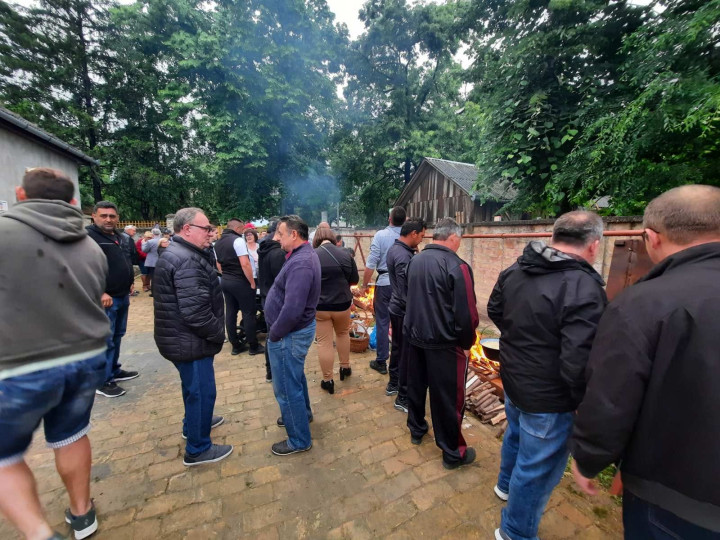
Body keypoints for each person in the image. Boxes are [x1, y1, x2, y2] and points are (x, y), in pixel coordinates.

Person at [570, 185, 720, 538]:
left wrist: (588, 458)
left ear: (650, 238)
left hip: (671, 500)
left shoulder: (645, 303)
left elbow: (611, 398)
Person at [0, 167, 109, 540]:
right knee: (71, 434)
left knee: (4, 457)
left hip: (19, 364)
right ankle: (82, 514)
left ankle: (37, 533)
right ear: (75, 203)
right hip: (85, 356)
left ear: (20, 193)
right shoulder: (90, 245)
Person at [486, 211, 607, 540]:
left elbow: (496, 309)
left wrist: (521, 341)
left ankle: (505, 486)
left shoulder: (516, 269)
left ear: (555, 235)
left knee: (516, 434)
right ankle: (514, 532)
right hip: (550, 397)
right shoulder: (583, 286)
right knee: (536, 469)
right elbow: (578, 360)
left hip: (514, 377)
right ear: (594, 245)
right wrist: (584, 404)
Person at [152, 207, 232, 466]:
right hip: (189, 341)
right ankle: (198, 448)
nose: (211, 233)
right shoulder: (186, 260)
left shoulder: (184, 253)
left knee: (193, 389)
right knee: (201, 392)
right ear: (187, 229)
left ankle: (193, 424)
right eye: (206, 228)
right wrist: (219, 334)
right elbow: (196, 314)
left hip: (180, 338)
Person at [404, 217, 479, 470]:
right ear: (454, 238)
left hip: (414, 337)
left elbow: (408, 297)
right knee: (448, 398)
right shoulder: (458, 267)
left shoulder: (415, 260)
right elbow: (467, 314)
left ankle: (416, 428)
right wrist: (467, 342)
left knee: (416, 386)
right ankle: (452, 452)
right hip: (444, 344)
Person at [264, 215, 321, 455]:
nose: (276, 238)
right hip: (293, 333)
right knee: (294, 379)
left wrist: (274, 333)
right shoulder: (301, 256)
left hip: (289, 334)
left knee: (286, 388)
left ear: (294, 235)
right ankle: (302, 416)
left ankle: (298, 439)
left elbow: (293, 309)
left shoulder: (301, 263)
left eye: (280, 233)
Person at [86, 201, 139, 398]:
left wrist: (130, 282)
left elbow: (125, 261)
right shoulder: (88, 237)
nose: (108, 219)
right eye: (104, 215)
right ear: (94, 216)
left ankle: (113, 370)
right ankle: (102, 381)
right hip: (104, 299)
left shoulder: (120, 237)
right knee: (104, 340)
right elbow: (83, 268)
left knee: (117, 335)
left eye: (112, 216)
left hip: (122, 295)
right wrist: (100, 291)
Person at [385, 217, 426, 412]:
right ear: (413, 234)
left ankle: (393, 383)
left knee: (398, 349)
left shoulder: (397, 249)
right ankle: (403, 396)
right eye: (421, 236)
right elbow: (405, 289)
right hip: (403, 309)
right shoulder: (403, 256)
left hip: (396, 307)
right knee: (406, 355)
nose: (421, 240)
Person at [313, 226, 359, 394]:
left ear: (316, 239)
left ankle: (328, 380)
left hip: (320, 307)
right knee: (343, 334)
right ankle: (345, 368)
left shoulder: (312, 256)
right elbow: (354, 280)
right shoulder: (345, 254)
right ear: (332, 238)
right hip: (342, 304)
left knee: (324, 342)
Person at [362, 206, 406, 375]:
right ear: (405, 220)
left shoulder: (381, 235)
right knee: (400, 322)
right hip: (402, 285)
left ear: (389, 219)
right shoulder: (407, 236)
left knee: (382, 322)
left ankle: (381, 361)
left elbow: (370, 264)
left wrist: (365, 285)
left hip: (385, 284)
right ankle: (400, 360)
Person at [214, 219, 265, 356]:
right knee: (249, 313)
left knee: (230, 312)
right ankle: (253, 346)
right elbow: (245, 264)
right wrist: (252, 283)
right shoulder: (237, 241)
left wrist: (227, 276)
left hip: (226, 281)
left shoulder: (217, 243)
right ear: (237, 228)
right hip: (240, 281)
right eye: (242, 229)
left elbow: (218, 265)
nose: (243, 231)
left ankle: (235, 345)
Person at [257, 218, 286, 383]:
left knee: (271, 335)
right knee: (276, 336)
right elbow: (282, 281)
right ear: (278, 233)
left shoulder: (264, 248)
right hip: (275, 299)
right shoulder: (277, 254)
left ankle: (270, 371)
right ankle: (275, 371)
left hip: (266, 296)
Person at [141, 228, 164, 295]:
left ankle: (154, 292)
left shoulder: (150, 242)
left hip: (152, 263)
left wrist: (143, 243)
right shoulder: (164, 240)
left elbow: (144, 250)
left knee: (153, 278)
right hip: (162, 261)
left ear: (152, 234)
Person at [123, 225, 140, 296]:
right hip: (127, 260)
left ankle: (130, 290)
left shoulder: (126, 237)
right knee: (128, 275)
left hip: (127, 260)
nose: (135, 232)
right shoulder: (126, 237)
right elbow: (129, 249)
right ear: (128, 230)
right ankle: (129, 291)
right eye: (133, 231)